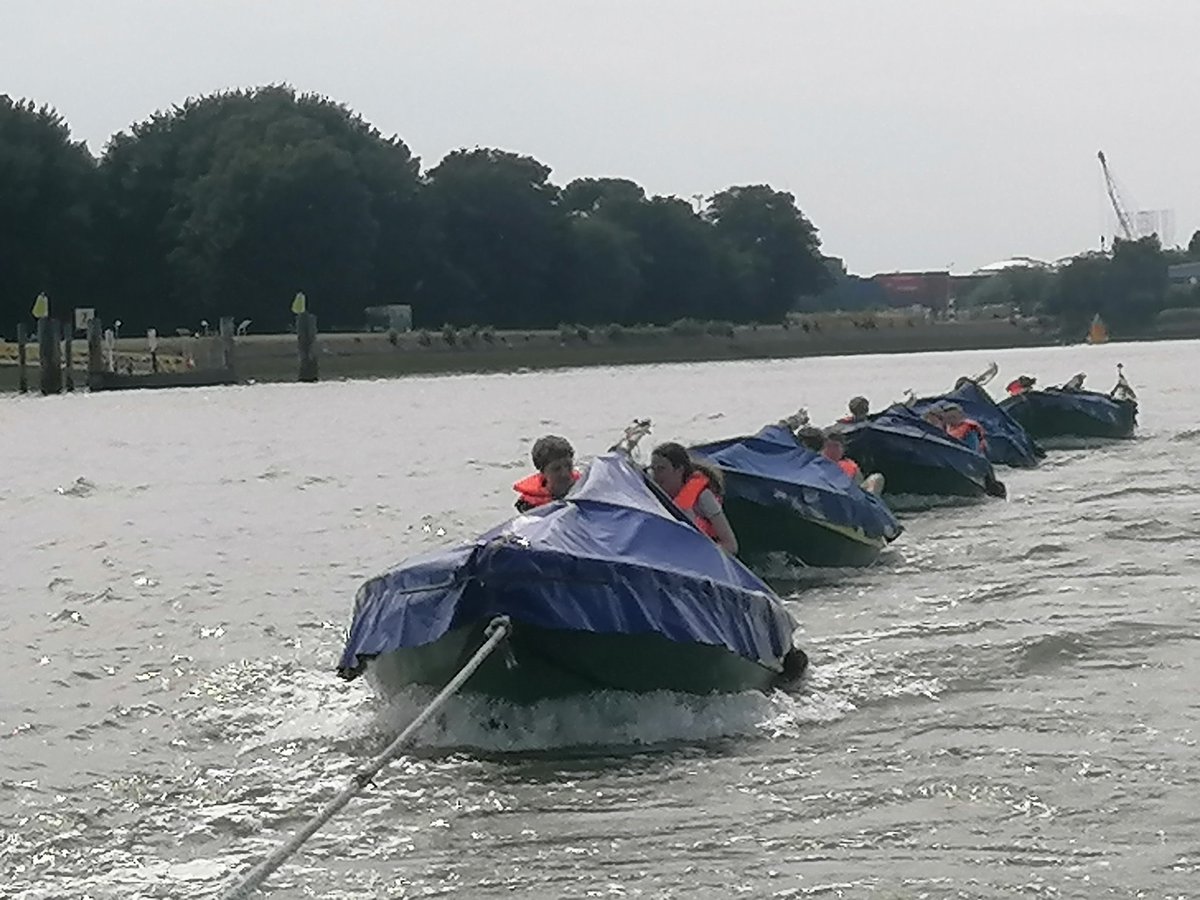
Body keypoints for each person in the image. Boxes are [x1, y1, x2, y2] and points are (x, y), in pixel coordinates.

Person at [648, 442, 738, 554]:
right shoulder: (651, 492)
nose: (656, 475)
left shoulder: (704, 498)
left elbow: (731, 545)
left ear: (679, 470)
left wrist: (698, 555)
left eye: (661, 469)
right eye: (653, 469)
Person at [513, 435, 580, 512]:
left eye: (568, 465)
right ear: (543, 472)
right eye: (556, 469)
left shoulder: (586, 488)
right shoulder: (528, 506)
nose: (564, 473)